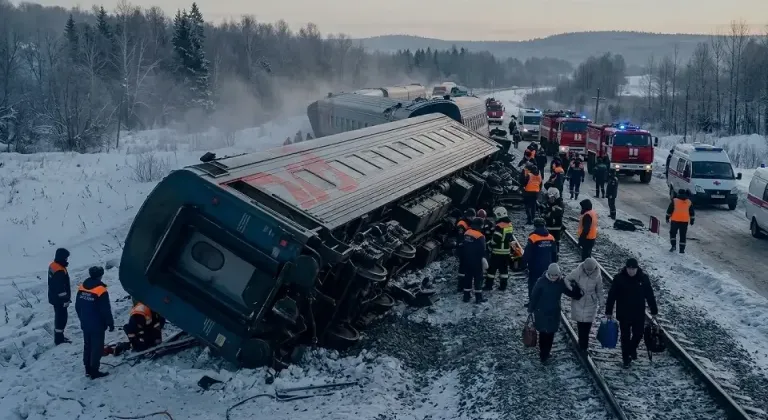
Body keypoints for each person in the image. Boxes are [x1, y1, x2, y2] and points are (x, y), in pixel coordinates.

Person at [605, 258, 658, 368]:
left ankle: (632, 349)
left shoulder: (643, 279)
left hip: (638, 313)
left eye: (633, 269)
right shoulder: (619, 279)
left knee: (638, 334)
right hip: (623, 313)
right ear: (626, 268)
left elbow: (650, 295)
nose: (631, 271)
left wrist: (654, 310)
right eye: (629, 268)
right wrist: (609, 311)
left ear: (637, 268)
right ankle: (626, 359)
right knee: (625, 336)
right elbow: (611, 296)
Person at [528, 263, 583, 364]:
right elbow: (534, 296)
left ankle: (547, 352)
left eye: (556, 275)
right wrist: (531, 309)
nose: (554, 277)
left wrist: (577, 291)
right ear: (548, 273)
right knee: (544, 333)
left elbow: (569, 292)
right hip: (541, 312)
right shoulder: (541, 282)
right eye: (552, 275)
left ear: (559, 274)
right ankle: (543, 355)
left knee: (551, 334)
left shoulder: (560, 282)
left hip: (554, 312)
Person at [75, 266, 114, 379]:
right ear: (100, 275)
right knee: (97, 347)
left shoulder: (82, 287)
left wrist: (82, 318)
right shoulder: (101, 290)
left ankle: (87, 368)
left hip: (85, 322)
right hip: (97, 324)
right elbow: (105, 309)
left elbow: (78, 306)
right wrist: (110, 323)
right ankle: (94, 371)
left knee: (88, 345)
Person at [564, 258, 603, 351]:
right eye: (587, 270)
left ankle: (583, 344)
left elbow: (599, 290)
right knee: (580, 324)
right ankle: (582, 343)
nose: (589, 272)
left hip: (591, 302)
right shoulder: (578, 271)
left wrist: (602, 302)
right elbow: (567, 279)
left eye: (591, 271)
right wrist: (572, 290)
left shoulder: (598, 275)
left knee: (587, 325)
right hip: (579, 300)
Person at [522, 218, 557, 304]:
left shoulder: (533, 237)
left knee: (533, 284)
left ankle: (533, 302)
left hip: (535, 266)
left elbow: (527, 253)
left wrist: (523, 264)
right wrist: (554, 264)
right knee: (546, 283)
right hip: (547, 266)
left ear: (535, 226)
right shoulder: (551, 237)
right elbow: (554, 253)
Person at [484, 207, 514, 292]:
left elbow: (495, 239)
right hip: (506, 252)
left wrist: (489, 244)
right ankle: (503, 286)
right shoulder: (510, 225)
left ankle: (488, 286)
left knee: (491, 271)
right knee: (504, 270)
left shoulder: (499, 226)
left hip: (497, 252)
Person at [460, 218, 487, 304]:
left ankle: (466, 296)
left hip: (466, 259)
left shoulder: (466, 233)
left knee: (467, 277)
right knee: (478, 279)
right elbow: (483, 249)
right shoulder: (480, 236)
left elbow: (463, 245)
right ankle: (478, 298)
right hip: (476, 261)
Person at [48, 248, 72, 345]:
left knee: (59, 317)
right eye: (66, 258)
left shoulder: (53, 265)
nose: (67, 260)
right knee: (61, 318)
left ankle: (59, 337)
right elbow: (60, 288)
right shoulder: (59, 270)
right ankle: (59, 339)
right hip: (59, 299)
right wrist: (65, 299)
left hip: (54, 297)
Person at [666, 189, 695, 253]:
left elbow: (669, 210)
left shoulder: (674, 201)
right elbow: (692, 212)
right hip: (684, 222)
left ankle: (673, 246)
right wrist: (692, 220)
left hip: (675, 220)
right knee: (683, 235)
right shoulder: (689, 202)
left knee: (673, 233)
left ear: (678, 193)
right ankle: (682, 250)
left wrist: (667, 218)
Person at [455, 208, 476, 292]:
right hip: (462, 248)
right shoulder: (462, 224)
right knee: (462, 267)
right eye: (472, 217)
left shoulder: (468, 222)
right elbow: (461, 237)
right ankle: (460, 286)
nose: (473, 218)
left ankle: (464, 284)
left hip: (467, 247)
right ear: (469, 216)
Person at [540, 188, 564, 254]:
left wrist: (550, 214)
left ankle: (556, 253)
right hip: (548, 226)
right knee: (548, 240)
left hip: (556, 226)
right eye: (550, 197)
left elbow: (559, 212)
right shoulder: (547, 203)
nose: (550, 199)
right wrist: (544, 214)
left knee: (556, 241)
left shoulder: (560, 204)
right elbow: (544, 211)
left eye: (552, 197)